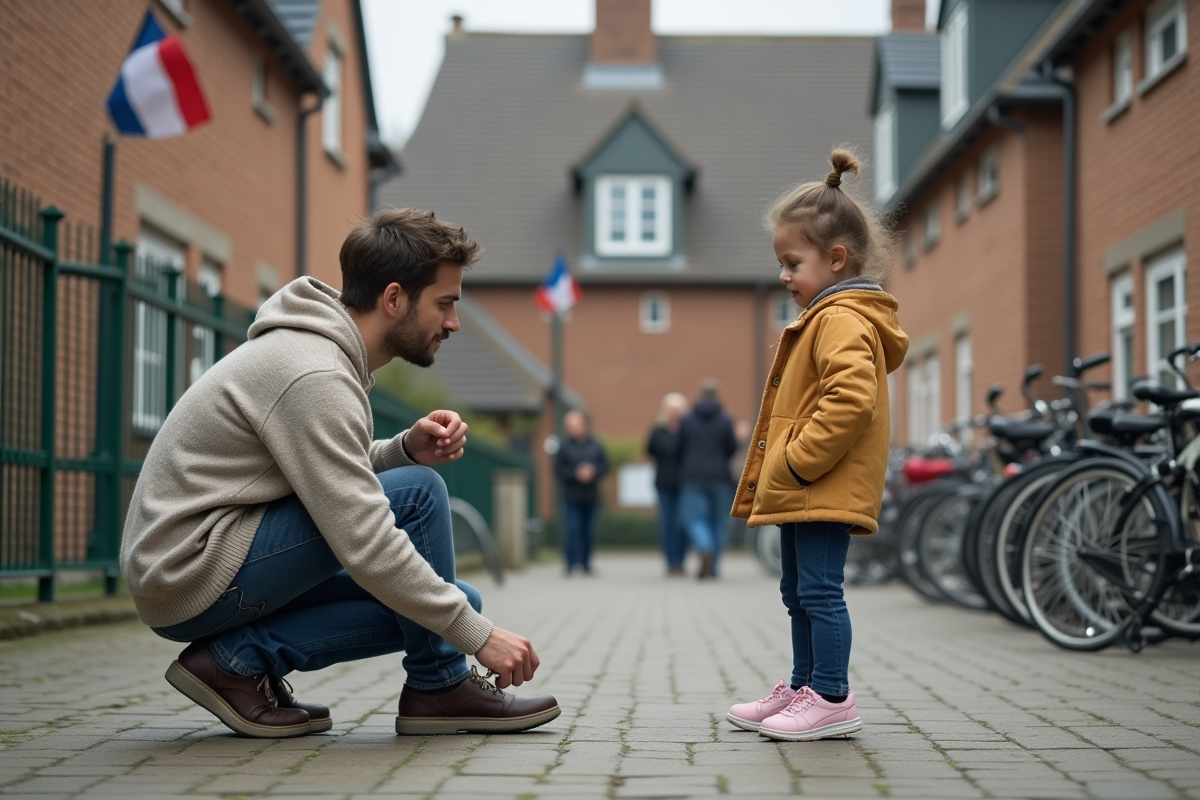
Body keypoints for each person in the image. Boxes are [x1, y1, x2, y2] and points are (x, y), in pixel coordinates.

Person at [120, 207, 559, 739]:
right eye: (444, 304)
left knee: (455, 601)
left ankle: (234, 662)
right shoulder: (315, 372)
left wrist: (400, 450)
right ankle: (439, 687)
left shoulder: (319, 357)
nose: (454, 323)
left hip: (215, 558)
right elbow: (362, 535)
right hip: (190, 568)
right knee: (421, 502)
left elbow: (317, 472)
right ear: (394, 298)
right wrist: (480, 637)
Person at [725, 149, 907, 742]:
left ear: (835, 259)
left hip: (819, 485)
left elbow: (851, 399)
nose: (783, 275)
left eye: (791, 262)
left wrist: (798, 462)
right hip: (806, 486)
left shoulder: (841, 319)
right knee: (797, 590)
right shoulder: (825, 313)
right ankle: (805, 686)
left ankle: (830, 696)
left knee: (821, 592)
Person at [678, 380, 738, 579]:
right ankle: (713, 568)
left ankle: (705, 547)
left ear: (700, 394)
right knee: (718, 522)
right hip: (720, 476)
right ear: (717, 394)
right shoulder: (725, 420)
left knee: (695, 518)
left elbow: (679, 447)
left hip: (693, 475)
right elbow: (732, 447)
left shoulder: (687, 420)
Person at [555, 409, 609, 574]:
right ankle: (570, 564)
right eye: (569, 425)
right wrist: (576, 473)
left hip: (590, 495)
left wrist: (593, 472)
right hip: (571, 495)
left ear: (584, 425)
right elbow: (558, 470)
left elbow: (605, 465)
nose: (572, 428)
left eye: (575, 424)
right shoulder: (564, 446)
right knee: (572, 529)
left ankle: (586, 564)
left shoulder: (596, 445)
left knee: (588, 531)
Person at [646, 393, 689, 576]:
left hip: (684, 483)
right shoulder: (658, 430)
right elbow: (650, 450)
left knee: (681, 523)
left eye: (677, 409)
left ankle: (680, 561)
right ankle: (671, 562)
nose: (674, 412)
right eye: (671, 409)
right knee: (667, 524)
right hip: (664, 483)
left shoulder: (688, 430)